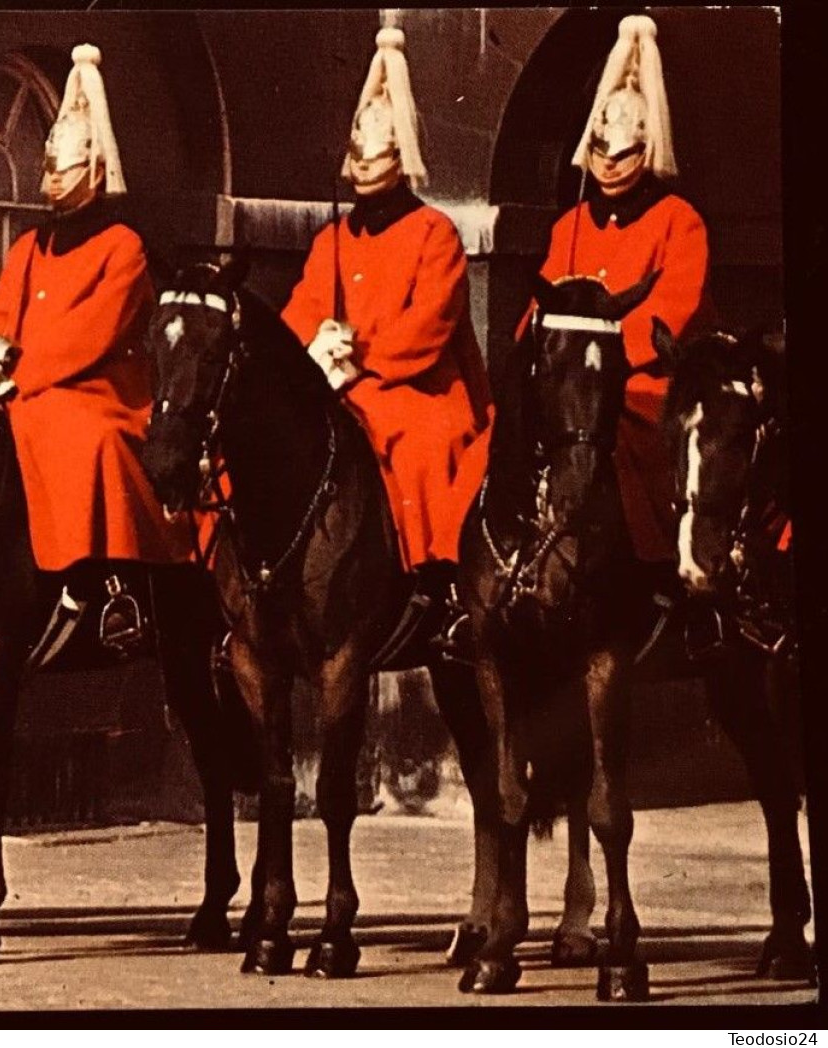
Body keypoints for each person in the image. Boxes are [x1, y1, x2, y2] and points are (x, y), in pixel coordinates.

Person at [0, 43, 195, 657]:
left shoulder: (124, 247)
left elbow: (92, 334)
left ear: (93, 171)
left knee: (75, 432)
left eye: (63, 170)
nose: (50, 180)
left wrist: (21, 376)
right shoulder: (32, 245)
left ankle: (105, 583)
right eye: (49, 167)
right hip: (30, 387)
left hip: (105, 395)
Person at [279, 26, 491, 637]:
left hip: (419, 389)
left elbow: (431, 325)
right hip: (340, 386)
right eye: (360, 155)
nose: (364, 166)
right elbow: (302, 306)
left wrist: (363, 355)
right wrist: (314, 345)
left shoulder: (435, 234)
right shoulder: (332, 239)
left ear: (400, 161)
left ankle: (438, 585)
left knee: (418, 445)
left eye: (377, 155)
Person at [531, 14, 711, 579]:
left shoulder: (679, 222)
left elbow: (671, 314)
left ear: (646, 152)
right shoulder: (571, 226)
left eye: (622, 156)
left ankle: (654, 569)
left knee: (630, 433)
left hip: (643, 380)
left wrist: (599, 364)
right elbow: (540, 308)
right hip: (568, 380)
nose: (609, 166)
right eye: (601, 153)